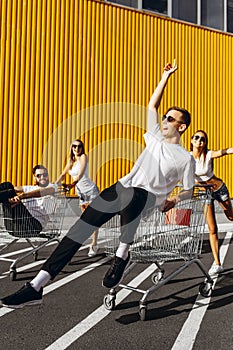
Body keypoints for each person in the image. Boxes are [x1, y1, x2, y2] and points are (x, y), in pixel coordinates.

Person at [0, 60, 195, 309]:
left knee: (137, 193)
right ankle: (36, 286)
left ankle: (121, 254)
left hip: (145, 202)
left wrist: (174, 199)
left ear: (182, 126)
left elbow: (188, 189)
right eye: (165, 117)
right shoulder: (154, 138)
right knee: (77, 233)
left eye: (171, 118)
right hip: (119, 190)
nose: (165, 120)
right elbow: (152, 105)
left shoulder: (185, 159)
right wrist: (165, 76)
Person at [190, 130, 233, 276]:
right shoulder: (187, 158)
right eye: (196, 137)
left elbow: (224, 151)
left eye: (203, 139)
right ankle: (217, 264)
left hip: (219, 188)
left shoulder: (208, 155)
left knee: (231, 217)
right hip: (204, 193)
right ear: (191, 140)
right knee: (212, 228)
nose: (199, 140)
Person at [55, 139, 100, 257]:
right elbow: (63, 174)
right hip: (81, 194)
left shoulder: (83, 157)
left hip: (90, 191)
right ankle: (90, 242)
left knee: (93, 219)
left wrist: (72, 184)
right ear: (71, 148)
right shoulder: (71, 161)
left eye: (79, 146)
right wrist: (55, 184)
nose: (76, 148)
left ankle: (94, 244)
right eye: (74, 146)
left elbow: (80, 173)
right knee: (85, 220)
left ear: (82, 148)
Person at [0, 165, 58, 236]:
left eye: (45, 175)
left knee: (8, 190)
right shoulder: (29, 188)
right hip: (14, 225)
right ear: (34, 177)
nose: (42, 177)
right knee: (7, 185)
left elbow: (43, 192)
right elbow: (10, 190)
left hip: (33, 226)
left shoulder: (53, 187)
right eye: (39, 175)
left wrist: (21, 196)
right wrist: (9, 196)